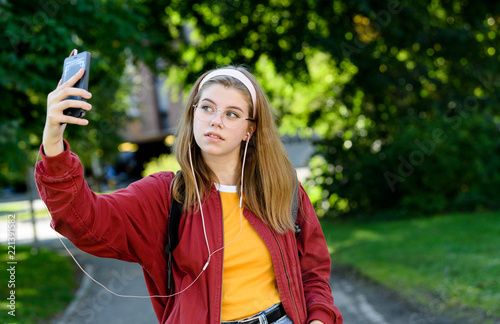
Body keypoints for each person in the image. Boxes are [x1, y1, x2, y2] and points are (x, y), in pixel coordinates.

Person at [35, 52, 343, 324]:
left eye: (232, 114)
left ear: (249, 130)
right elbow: (83, 219)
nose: (216, 121)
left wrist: (319, 319)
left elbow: (313, 271)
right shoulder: (166, 195)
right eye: (207, 108)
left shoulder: (282, 189)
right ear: (193, 113)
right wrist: (53, 140)